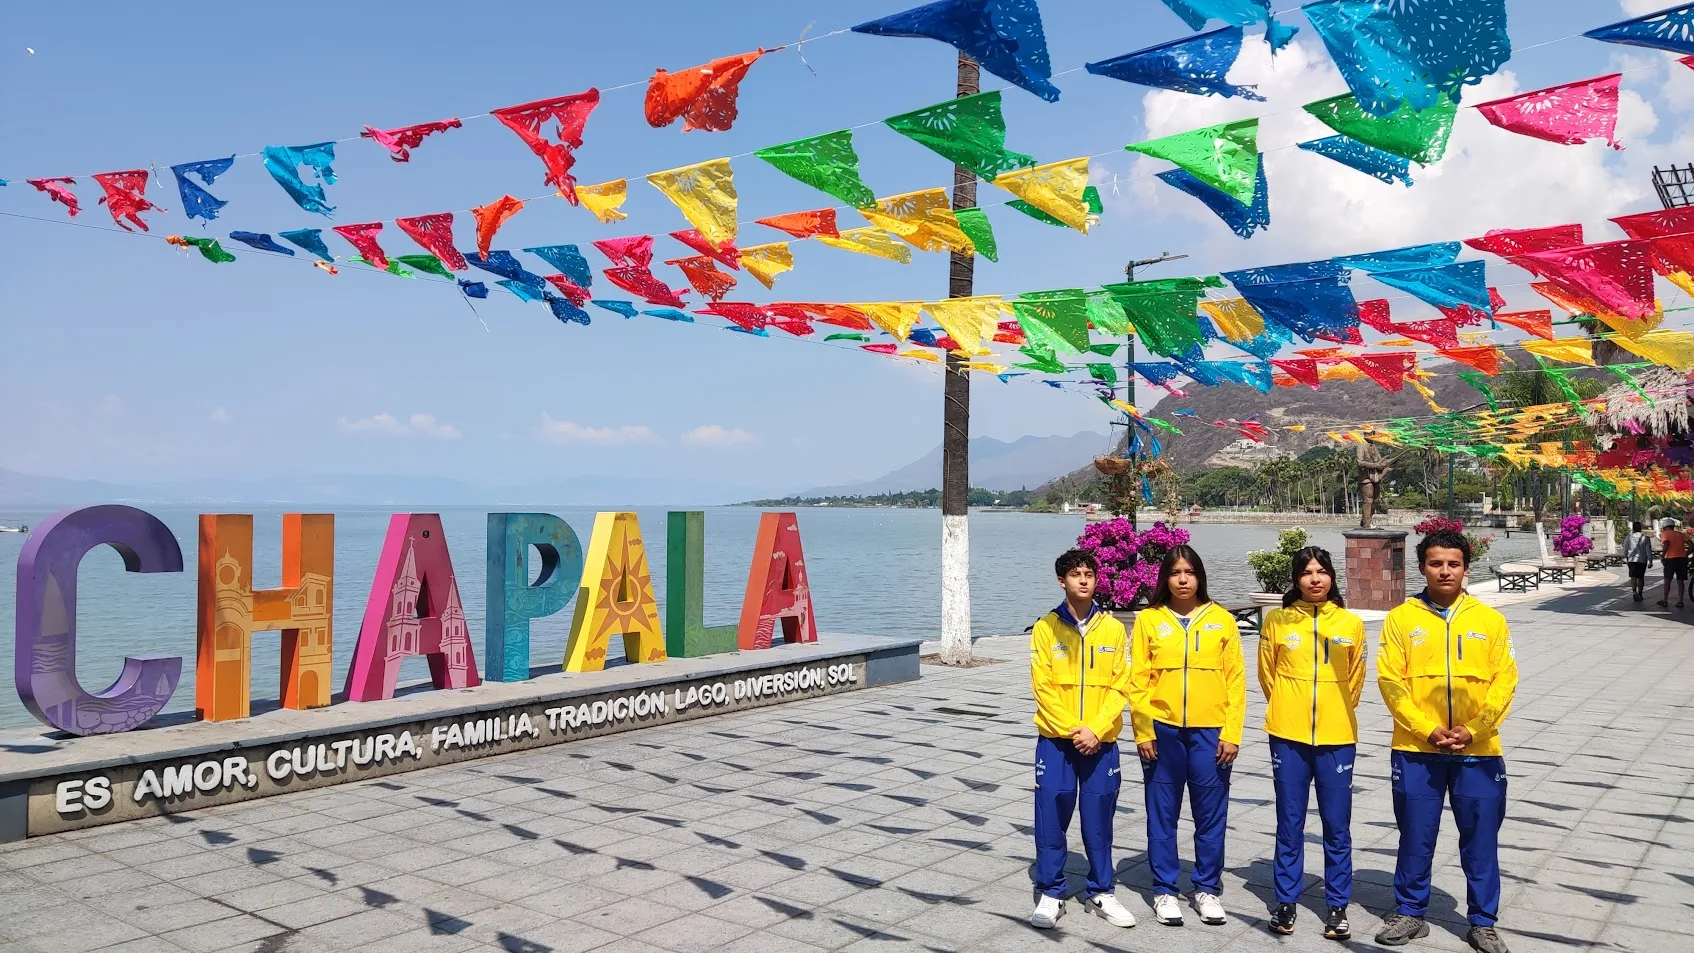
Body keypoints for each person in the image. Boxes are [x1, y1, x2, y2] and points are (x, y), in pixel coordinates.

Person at [1374, 530, 1519, 953]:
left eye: (1453, 563)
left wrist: (1475, 728)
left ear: (1465, 568)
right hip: (1417, 750)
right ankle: (1410, 912)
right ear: (1422, 567)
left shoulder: (1489, 620)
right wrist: (1426, 729)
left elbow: (1504, 681)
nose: (1445, 570)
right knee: (1416, 834)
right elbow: (1391, 682)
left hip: (1479, 750)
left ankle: (1482, 921)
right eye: (1436, 563)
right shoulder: (1401, 619)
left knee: (1480, 837)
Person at [1128, 545, 1246, 928]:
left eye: (1189, 572)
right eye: (1175, 572)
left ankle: (1206, 889)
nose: (1182, 579)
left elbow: (1236, 681)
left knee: (1210, 815)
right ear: (1165, 578)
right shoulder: (1149, 620)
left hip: (1210, 732)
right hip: (1162, 732)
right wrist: (1143, 730)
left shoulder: (1222, 620)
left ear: (1200, 577)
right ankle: (1164, 889)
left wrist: (1231, 733)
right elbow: (1138, 681)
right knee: (1162, 814)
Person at [1258, 548, 1366, 940]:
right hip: (1288, 735)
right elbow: (1267, 676)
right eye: (1306, 573)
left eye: (1322, 572)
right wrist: (1291, 705)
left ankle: (1337, 905)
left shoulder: (1351, 623)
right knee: (1290, 823)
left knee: (1337, 826)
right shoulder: (1278, 621)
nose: (1315, 579)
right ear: (1296, 579)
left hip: (1338, 736)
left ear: (1332, 577)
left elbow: (1355, 679)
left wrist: (1335, 710)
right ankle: (1285, 900)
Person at [1028, 549, 1137, 931]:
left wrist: (1096, 728)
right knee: (1051, 818)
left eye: (1089, 573)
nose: (1084, 580)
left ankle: (1101, 891)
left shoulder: (1113, 628)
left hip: (1101, 742)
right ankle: (1051, 891)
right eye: (1076, 574)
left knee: (1099, 820)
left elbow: (1120, 685)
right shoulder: (1045, 628)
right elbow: (1043, 686)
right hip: (1057, 742)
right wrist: (1075, 730)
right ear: (1062, 581)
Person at [1658, 519, 1687, 608]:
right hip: (1681, 559)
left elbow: (1666, 543)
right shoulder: (1681, 534)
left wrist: (1663, 555)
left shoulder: (1665, 534)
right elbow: (1692, 545)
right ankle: (1680, 601)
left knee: (1667, 580)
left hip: (1670, 559)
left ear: (1665, 527)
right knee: (1680, 581)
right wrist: (1686, 554)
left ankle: (1665, 600)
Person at [1624, 521, 1653, 603]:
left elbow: (1625, 549)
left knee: (1633, 576)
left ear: (1633, 528)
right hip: (1642, 560)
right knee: (1640, 577)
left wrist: (1626, 558)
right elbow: (1648, 551)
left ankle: (1634, 592)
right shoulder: (1645, 538)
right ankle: (1640, 593)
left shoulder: (1628, 537)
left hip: (1631, 560)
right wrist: (1650, 561)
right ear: (1641, 528)